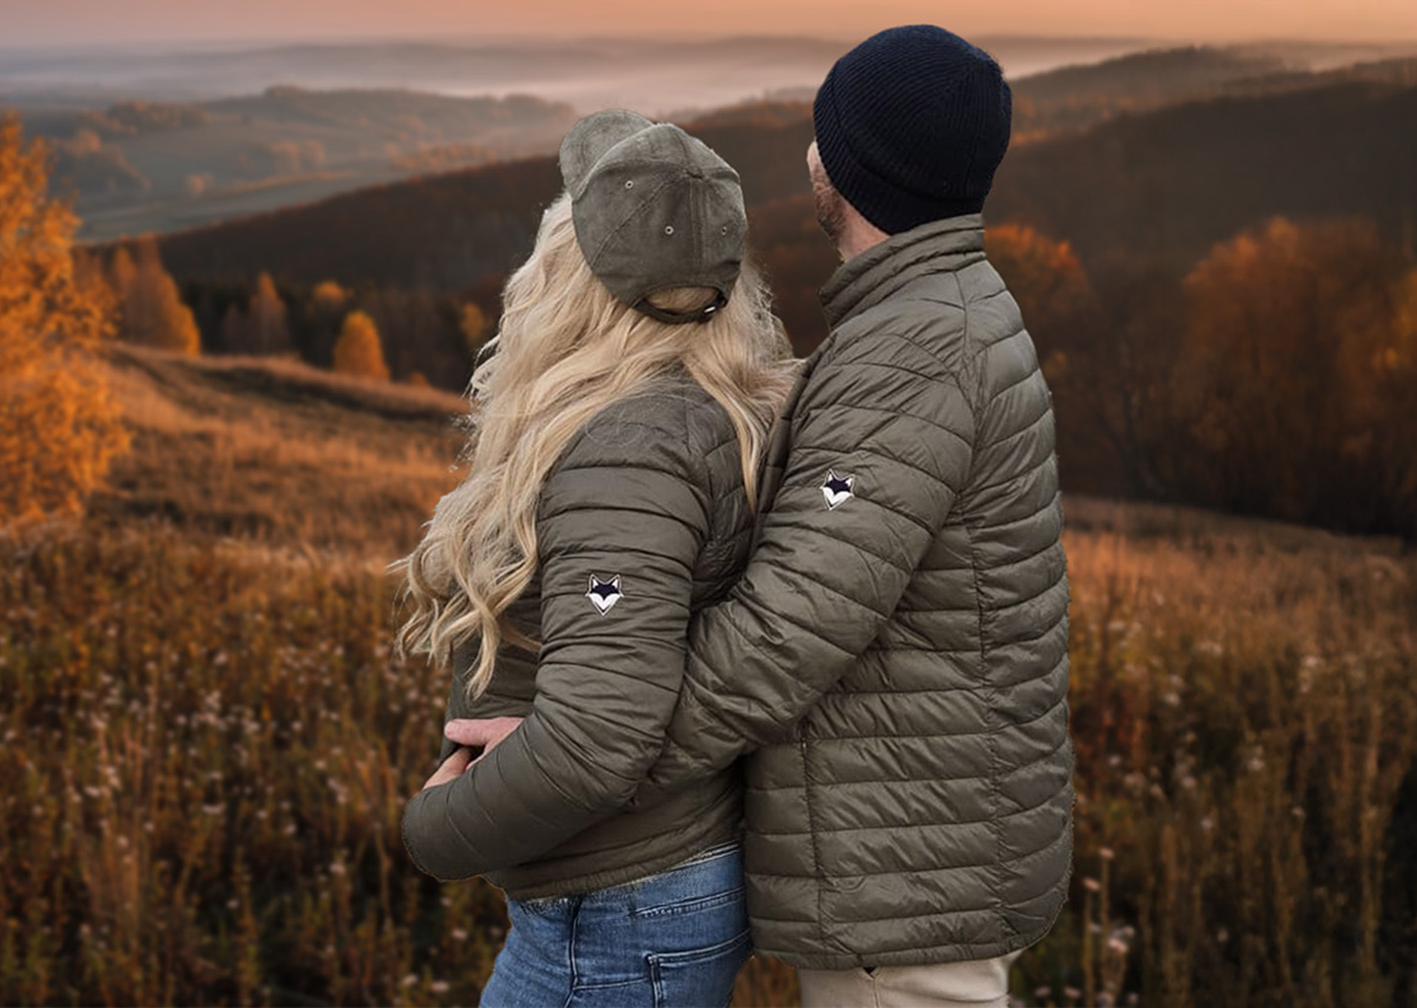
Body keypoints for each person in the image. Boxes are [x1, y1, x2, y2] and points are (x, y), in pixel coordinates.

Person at [444, 25, 1075, 1008]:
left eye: (824, 130)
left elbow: (787, 629)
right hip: (919, 836)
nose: (808, 151)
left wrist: (566, 760)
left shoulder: (912, 354)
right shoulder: (932, 316)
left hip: (907, 867)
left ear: (850, 167)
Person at [395, 108, 797, 1007]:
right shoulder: (701, 412)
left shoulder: (630, 453)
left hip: (619, 909)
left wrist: (435, 829)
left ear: (570, 280)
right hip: (645, 891)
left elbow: (595, 742)